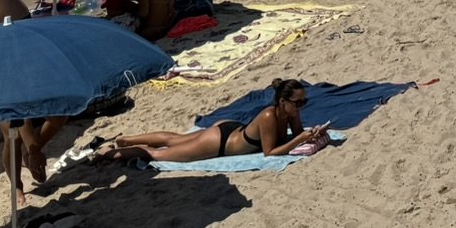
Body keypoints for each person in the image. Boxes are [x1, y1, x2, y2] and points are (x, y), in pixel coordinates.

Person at [95, 79, 327, 165]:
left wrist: (309, 134)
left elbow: (295, 134)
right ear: (283, 101)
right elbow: (271, 152)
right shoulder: (269, 115)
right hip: (219, 142)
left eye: (303, 102)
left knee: (175, 140)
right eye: (297, 103)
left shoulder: (291, 112)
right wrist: (300, 138)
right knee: (158, 154)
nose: (301, 106)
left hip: (228, 130)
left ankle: (125, 139)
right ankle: (106, 153)